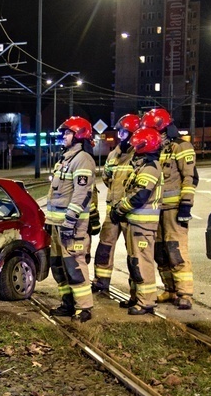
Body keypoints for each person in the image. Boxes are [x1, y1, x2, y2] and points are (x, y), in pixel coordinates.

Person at [140, 107, 198, 310]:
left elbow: (190, 178)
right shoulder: (157, 148)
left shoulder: (182, 147)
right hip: (157, 210)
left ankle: (185, 293)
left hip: (174, 210)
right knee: (160, 252)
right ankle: (170, 289)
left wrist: (185, 206)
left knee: (176, 251)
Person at [45, 116, 97, 323]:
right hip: (58, 224)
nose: (63, 136)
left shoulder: (82, 159)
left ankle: (84, 308)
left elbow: (81, 194)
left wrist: (70, 221)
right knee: (59, 265)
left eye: (67, 133)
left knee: (74, 265)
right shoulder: (65, 159)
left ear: (79, 134)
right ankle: (68, 303)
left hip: (71, 225)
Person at [109, 127, 164, 314]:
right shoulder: (142, 165)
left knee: (142, 263)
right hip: (135, 223)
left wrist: (120, 209)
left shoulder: (150, 167)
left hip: (143, 225)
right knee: (134, 262)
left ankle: (147, 301)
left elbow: (139, 196)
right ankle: (136, 297)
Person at [92, 113, 140, 293]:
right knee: (104, 246)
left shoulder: (138, 155)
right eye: (119, 132)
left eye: (123, 132)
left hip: (130, 211)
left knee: (134, 252)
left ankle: (136, 290)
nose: (120, 136)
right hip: (112, 209)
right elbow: (106, 177)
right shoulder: (114, 153)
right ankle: (100, 283)